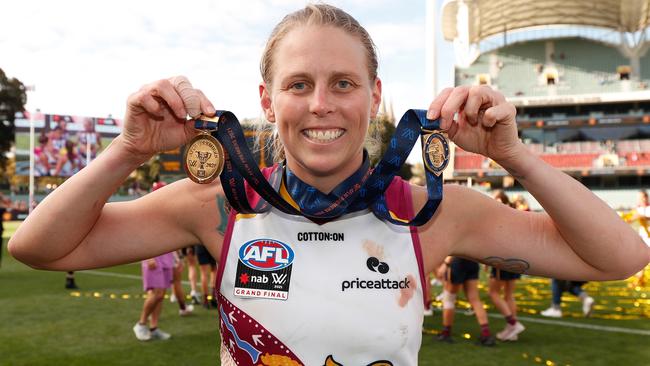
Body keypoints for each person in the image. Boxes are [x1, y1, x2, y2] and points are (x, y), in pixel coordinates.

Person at [8, 4, 649, 364]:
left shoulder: (428, 210)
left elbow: (622, 258)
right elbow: (41, 247)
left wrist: (520, 158)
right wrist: (127, 150)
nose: (321, 104)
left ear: (374, 99)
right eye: (298, 85)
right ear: (267, 98)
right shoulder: (221, 207)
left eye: (343, 84)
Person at [487, 190, 525, 341]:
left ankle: (513, 324)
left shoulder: (499, 215)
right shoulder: (514, 213)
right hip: (516, 257)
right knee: (509, 295)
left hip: (502, 258)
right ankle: (512, 331)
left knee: (493, 293)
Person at [436, 256, 495, 346]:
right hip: (472, 261)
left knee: (449, 298)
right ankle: (486, 334)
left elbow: (455, 246)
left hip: (457, 261)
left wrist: (445, 263)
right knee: (474, 299)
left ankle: (446, 333)